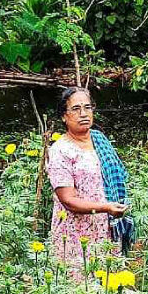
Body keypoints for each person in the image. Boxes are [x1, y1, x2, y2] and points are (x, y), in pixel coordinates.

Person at [47, 87, 132, 277]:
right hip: (76, 233)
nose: (83, 114)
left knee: (109, 283)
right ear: (64, 116)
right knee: (81, 284)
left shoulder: (99, 139)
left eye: (87, 107)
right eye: (76, 109)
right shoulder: (61, 151)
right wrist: (105, 207)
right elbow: (68, 200)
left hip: (107, 227)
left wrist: (112, 208)